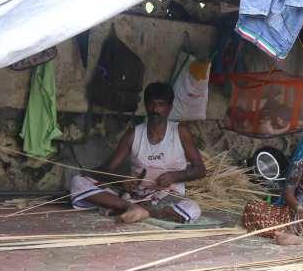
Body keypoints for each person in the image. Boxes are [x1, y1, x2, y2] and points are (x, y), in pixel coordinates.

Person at [69, 82, 206, 223]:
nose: (155, 109)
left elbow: (200, 170)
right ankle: (131, 208)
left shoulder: (180, 131)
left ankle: (139, 211)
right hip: (135, 196)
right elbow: (107, 170)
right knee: (78, 182)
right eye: (151, 104)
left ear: (169, 108)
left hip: (168, 197)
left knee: (193, 208)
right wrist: (122, 179)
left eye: (161, 104)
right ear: (145, 106)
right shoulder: (133, 134)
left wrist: (175, 176)